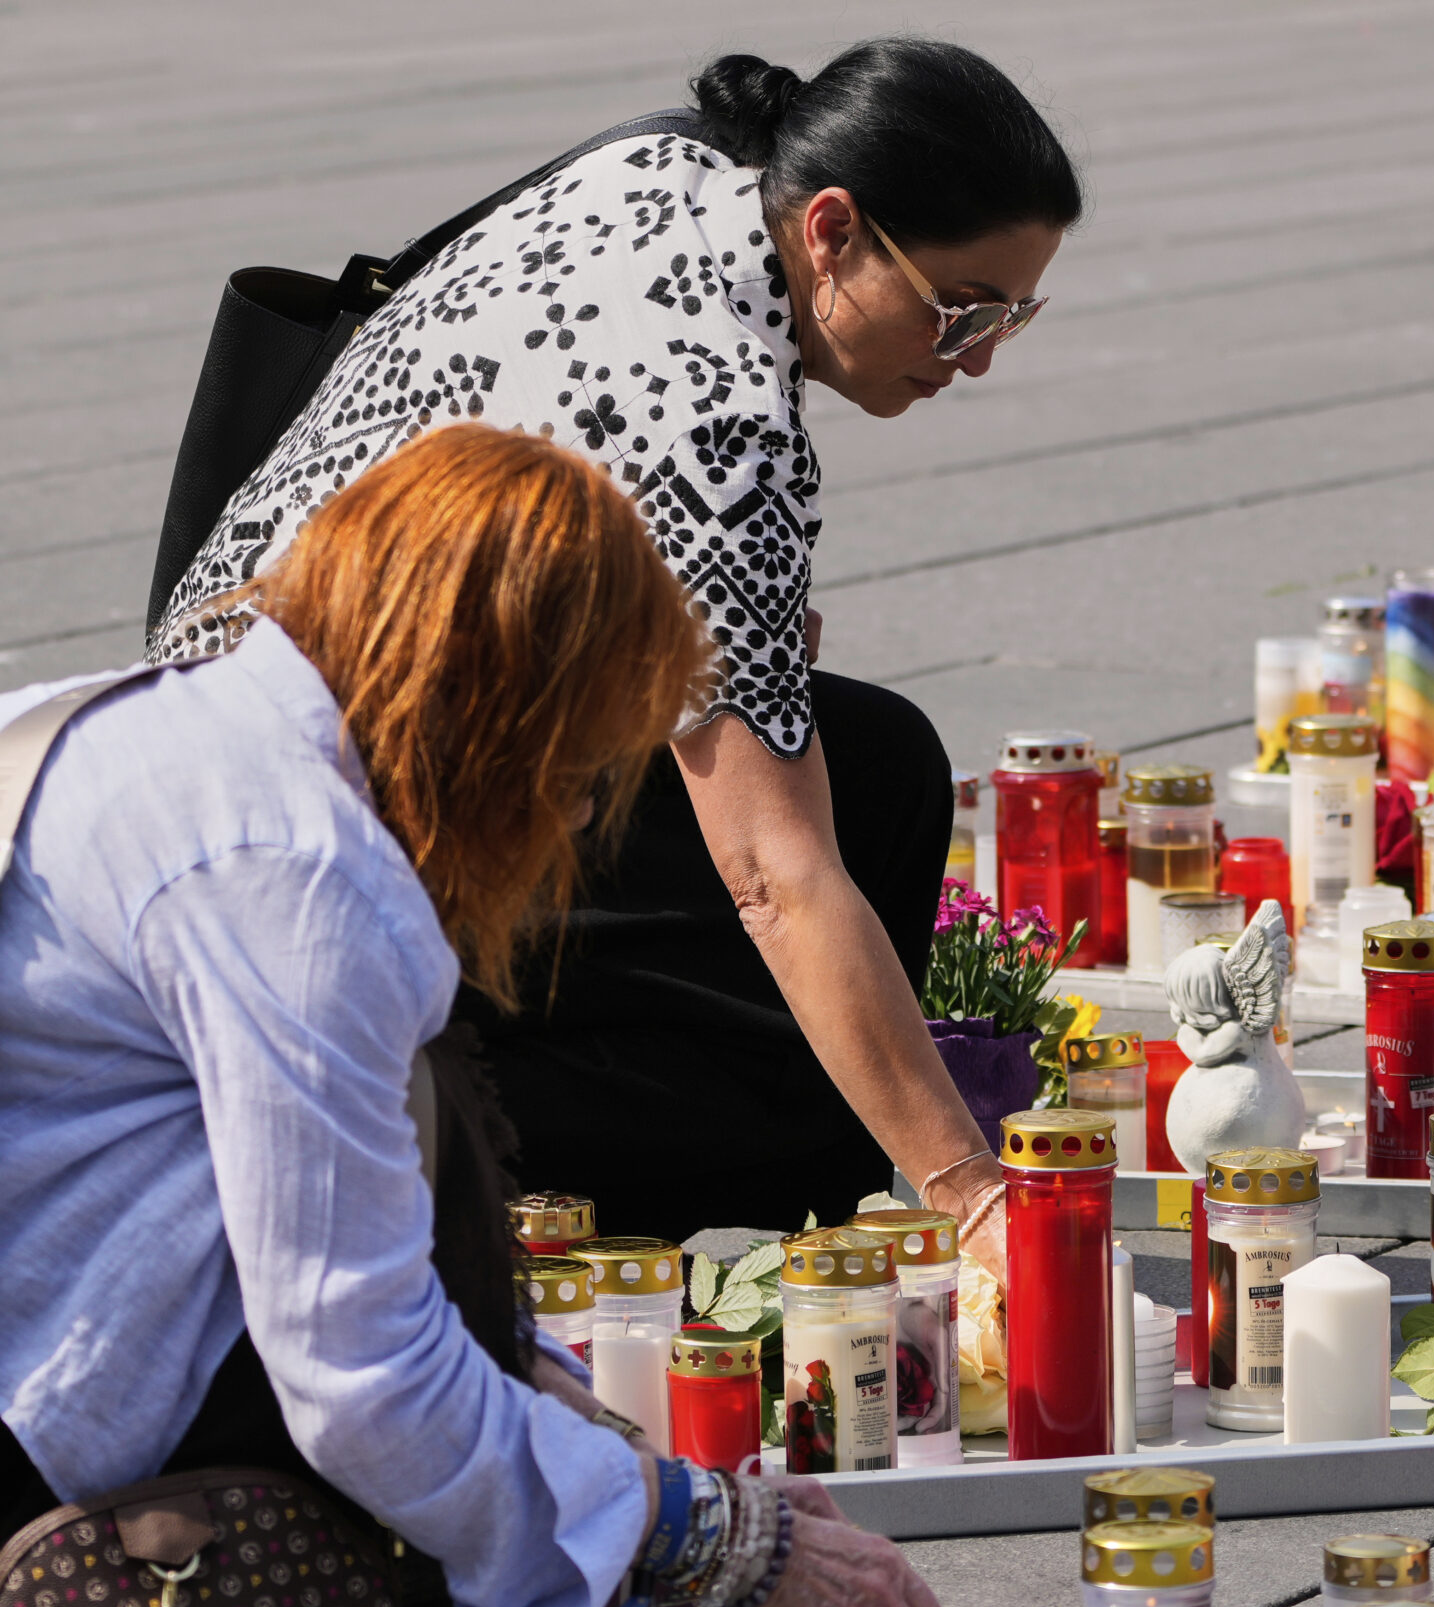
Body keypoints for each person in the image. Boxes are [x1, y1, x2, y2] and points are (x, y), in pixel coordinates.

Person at [1, 428, 942, 1607]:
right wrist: (717, 1540)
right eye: (582, 768)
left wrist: (586, 1435)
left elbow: (326, 1230)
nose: (569, 821)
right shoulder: (298, 873)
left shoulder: (171, 733)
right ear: (499, 719)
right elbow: (363, 1381)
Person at [144, 39, 1085, 1259]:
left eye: (1015, 313)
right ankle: (416, 1138)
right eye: (960, 310)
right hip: (303, 829)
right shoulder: (717, 418)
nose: (984, 354)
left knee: (873, 767)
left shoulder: (677, 166)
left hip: (227, 698)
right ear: (835, 230)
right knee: (804, 939)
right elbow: (774, 876)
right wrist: (965, 1189)